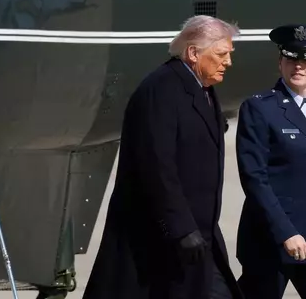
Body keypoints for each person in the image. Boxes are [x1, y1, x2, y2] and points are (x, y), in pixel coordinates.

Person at [82, 15, 243, 299]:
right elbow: (157, 167)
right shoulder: (161, 90)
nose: (228, 62)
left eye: (229, 54)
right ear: (193, 53)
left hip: (199, 237)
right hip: (167, 240)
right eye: (221, 54)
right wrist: (180, 228)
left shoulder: (202, 89)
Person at [234, 24, 306, 299]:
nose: (298, 66)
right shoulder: (260, 108)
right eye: (291, 58)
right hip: (271, 240)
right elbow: (255, 178)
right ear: (280, 62)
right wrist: (286, 233)